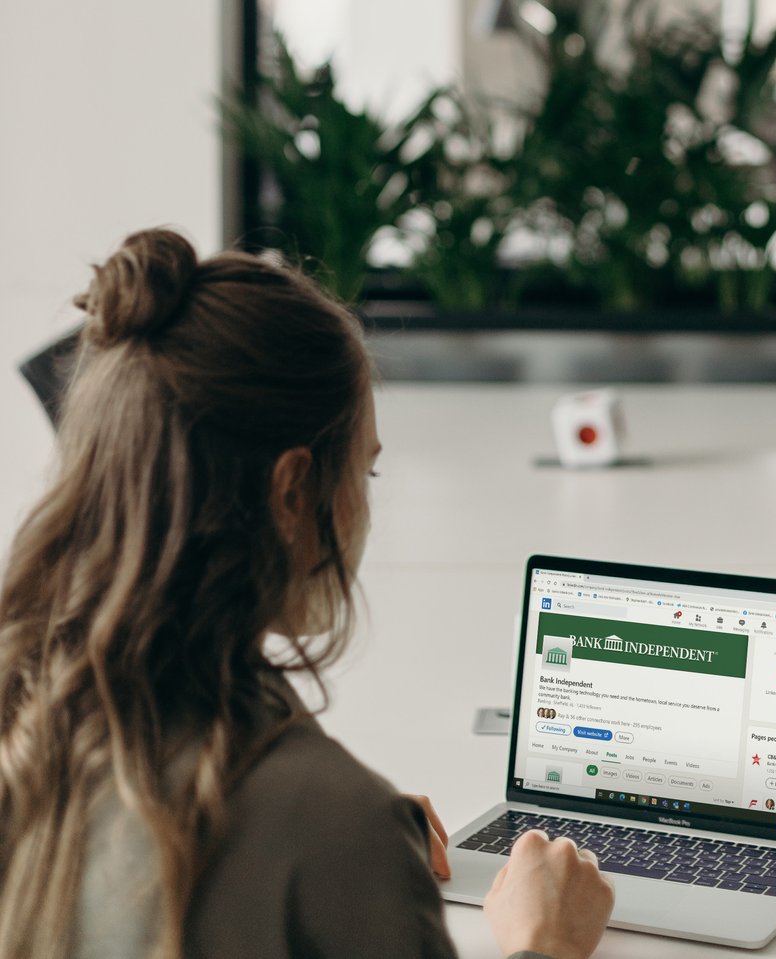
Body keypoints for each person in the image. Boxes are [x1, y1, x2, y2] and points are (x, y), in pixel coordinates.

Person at [0, 229, 614, 959]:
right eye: (365, 472)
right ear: (293, 491)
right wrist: (546, 940)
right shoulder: (337, 830)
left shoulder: (24, 715)